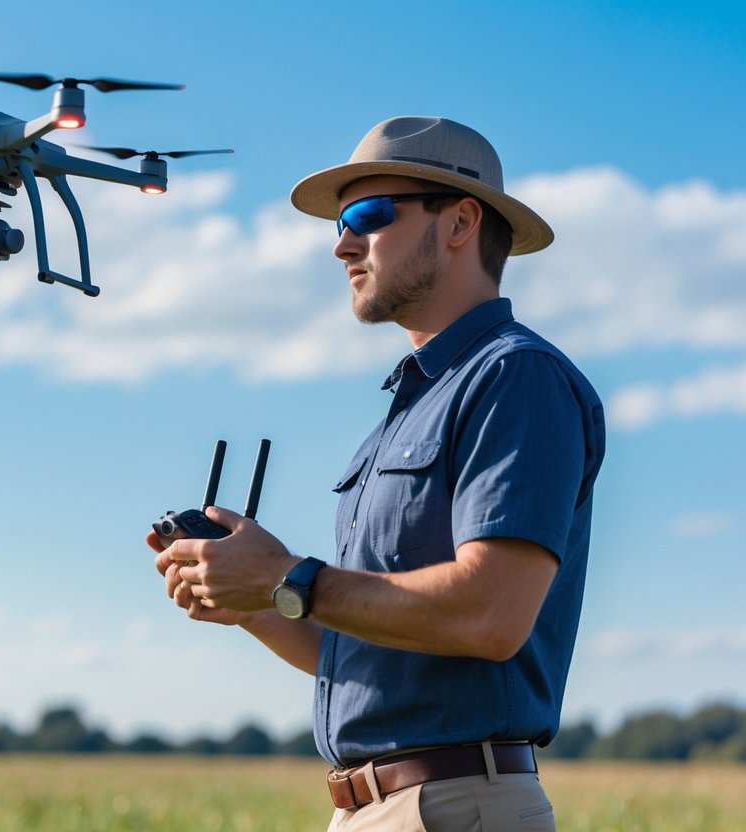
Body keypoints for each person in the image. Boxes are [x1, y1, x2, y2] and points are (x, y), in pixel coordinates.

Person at [145, 116, 606, 831]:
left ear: (458, 222)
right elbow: (360, 646)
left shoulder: (516, 378)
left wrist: (284, 576)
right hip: (382, 810)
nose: (341, 243)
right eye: (339, 222)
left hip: (453, 808)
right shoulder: (408, 407)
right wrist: (251, 602)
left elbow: (491, 614)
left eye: (367, 215)